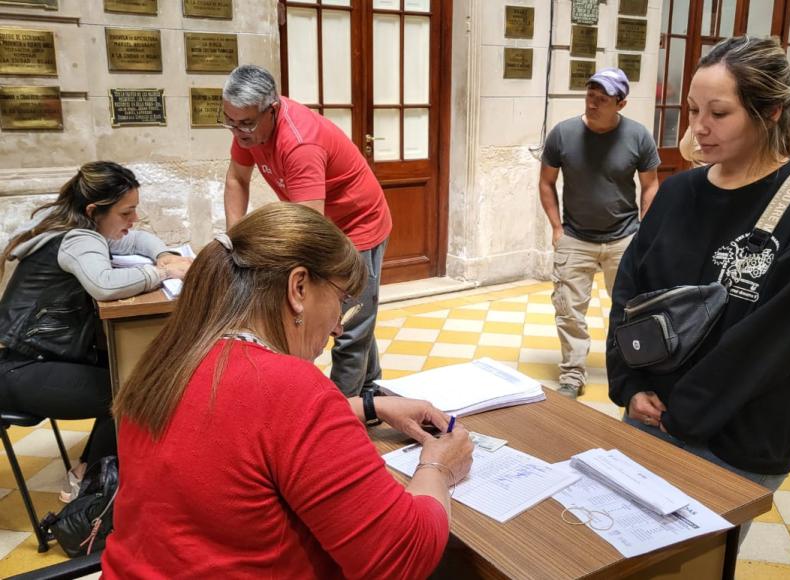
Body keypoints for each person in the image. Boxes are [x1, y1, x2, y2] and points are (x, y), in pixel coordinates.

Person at [104, 202, 473, 578]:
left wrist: (368, 406)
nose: (337, 329)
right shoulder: (289, 387)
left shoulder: (170, 359)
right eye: (340, 301)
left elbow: (241, 432)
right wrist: (440, 466)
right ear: (298, 287)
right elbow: (402, 557)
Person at [607, 37, 790, 540]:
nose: (699, 127)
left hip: (737, 437)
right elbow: (629, 294)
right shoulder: (678, 192)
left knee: (691, 565)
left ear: (770, 111)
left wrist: (685, 414)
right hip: (649, 414)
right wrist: (630, 386)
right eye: (694, 109)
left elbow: (777, 335)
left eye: (719, 113)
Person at [0, 161, 189, 495]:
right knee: (131, 390)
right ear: (93, 210)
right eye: (126, 213)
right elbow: (105, 285)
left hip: (31, 360)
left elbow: (136, 240)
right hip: (19, 369)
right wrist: (163, 274)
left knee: (130, 373)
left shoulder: (80, 230)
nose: (133, 221)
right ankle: (89, 488)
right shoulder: (77, 240)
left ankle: (89, 470)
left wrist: (163, 255)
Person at [220, 64, 391, 397]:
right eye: (229, 121)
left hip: (359, 226)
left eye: (245, 123)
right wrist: (233, 242)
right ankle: (370, 387)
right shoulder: (248, 126)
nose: (238, 132)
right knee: (357, 316)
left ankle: (342, 412)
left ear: (272, 110)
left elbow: (307, 235)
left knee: (346, 325)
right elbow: (236, 180)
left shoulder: (300, 146)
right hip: (320, 223)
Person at [539, 67, 660, 399]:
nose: (592, 104)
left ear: (620, 104)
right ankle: (573, 373)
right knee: (568, 309)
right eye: (590, 96)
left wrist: (643, 233)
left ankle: (629, 369)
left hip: (624, 237)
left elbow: (650, 186)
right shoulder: (563, 134)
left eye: (602, 99)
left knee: (630, 308)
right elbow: (546, 182)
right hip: (575, 237)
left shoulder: (638, 136)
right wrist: (556, 227)